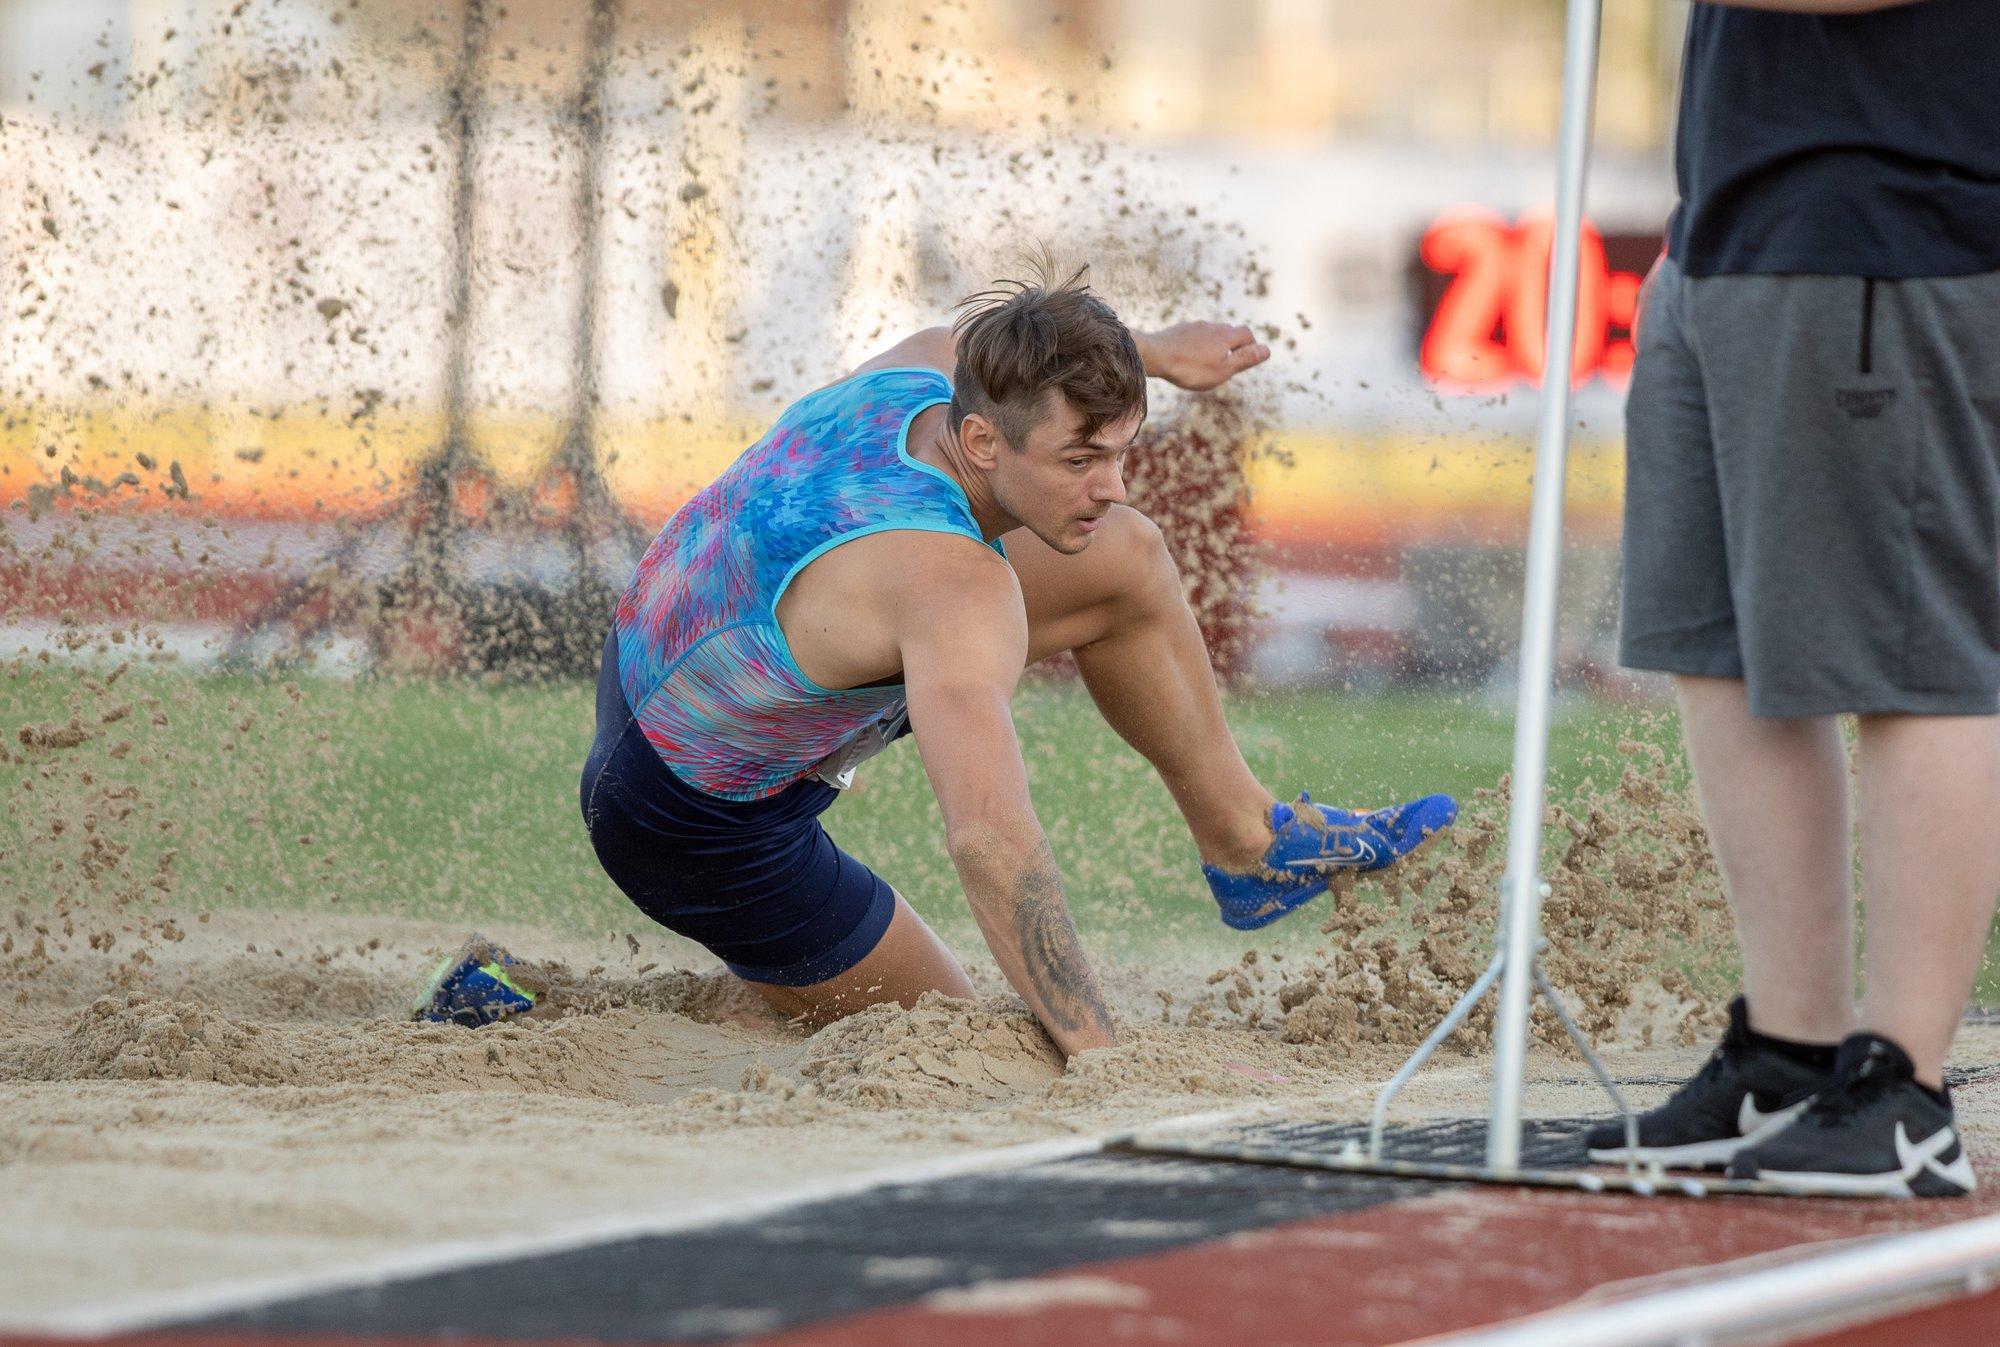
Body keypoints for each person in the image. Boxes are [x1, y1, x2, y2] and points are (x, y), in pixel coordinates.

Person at [459, 265, 1453, 1058]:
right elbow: (989, 840)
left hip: (658, 659)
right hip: (691, 821)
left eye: (1119, 450)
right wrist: (1096, 1052)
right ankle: (525, 1008)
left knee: (1126, 559)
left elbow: (1008, 349)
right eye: (1078, 460)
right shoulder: (950, 587)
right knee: (945, 1034)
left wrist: (1148, 355)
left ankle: (1245, 843)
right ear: (982, 440)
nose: (1109, 483)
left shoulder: (934, 367)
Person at [1587, 0, 2000, 1195]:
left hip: (1886, 228)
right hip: (1726, 230)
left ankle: (1903, 1093)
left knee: (1909, 656)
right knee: (1720, 656)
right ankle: (1789, 1053)